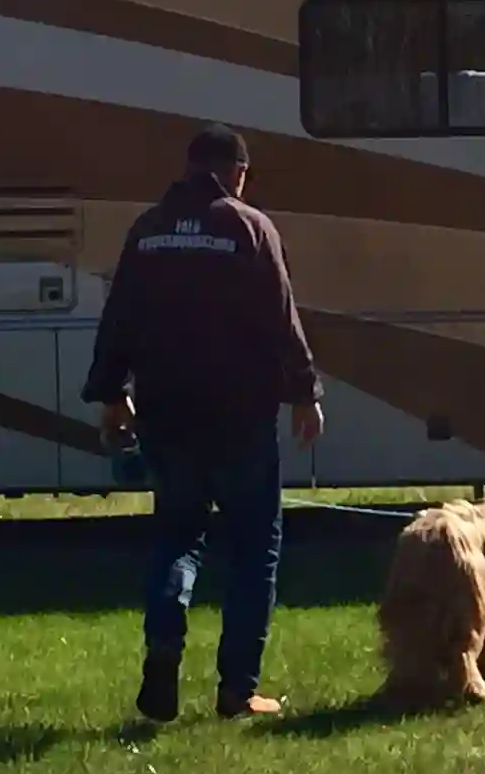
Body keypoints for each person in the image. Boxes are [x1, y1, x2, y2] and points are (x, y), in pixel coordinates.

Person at [82, 126, 324, 721]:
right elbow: (281, 317)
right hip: (239, 416)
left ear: (189, 168)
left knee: (178, 537)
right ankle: (237, 689)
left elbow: (120, 319)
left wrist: (112, 393)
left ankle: (165, 645)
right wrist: (303, 392)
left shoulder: (148, 230)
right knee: (254, 548)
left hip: (168, 414)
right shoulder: (248, 227)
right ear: (236, 172)